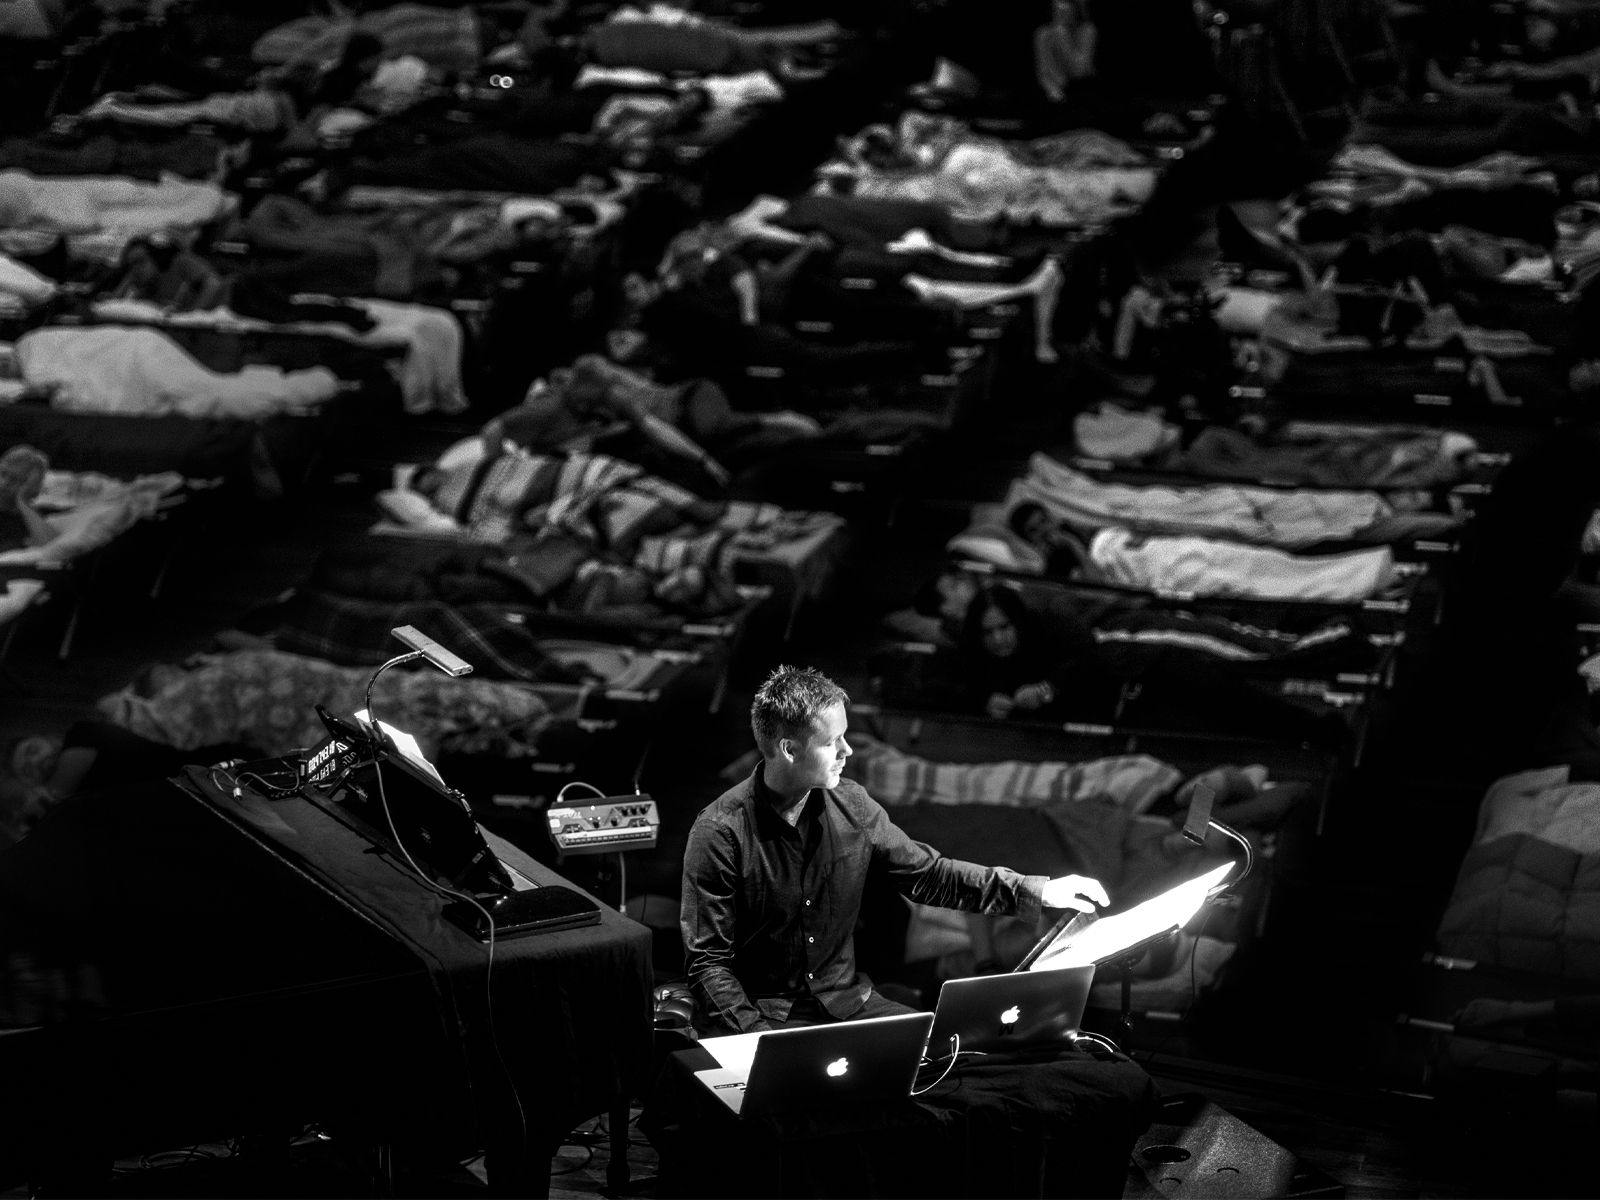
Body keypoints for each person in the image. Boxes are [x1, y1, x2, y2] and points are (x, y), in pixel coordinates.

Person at [680, 665, 1109, 1033]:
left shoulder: (853, 804)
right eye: (834, 742)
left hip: (845, 1005)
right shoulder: (720, 831)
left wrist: (1040, 891)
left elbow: (930, 877)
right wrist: (754, 1039)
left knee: (952, 1064)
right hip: (763, 1018)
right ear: (789, 750)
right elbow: (708, 964)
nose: (848, 751)